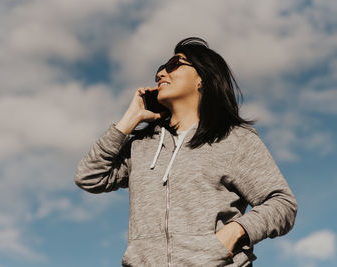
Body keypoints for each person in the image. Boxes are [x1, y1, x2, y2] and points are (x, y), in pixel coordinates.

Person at [74, 37, 297, 266]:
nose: (161, 74)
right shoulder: (142, 145)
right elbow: (89, 177)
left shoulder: (233, 138)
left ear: (202, 77)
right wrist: (129, 120)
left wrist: (234, 232)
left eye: (173, 65)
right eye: (159, 71)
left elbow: (282, 203)